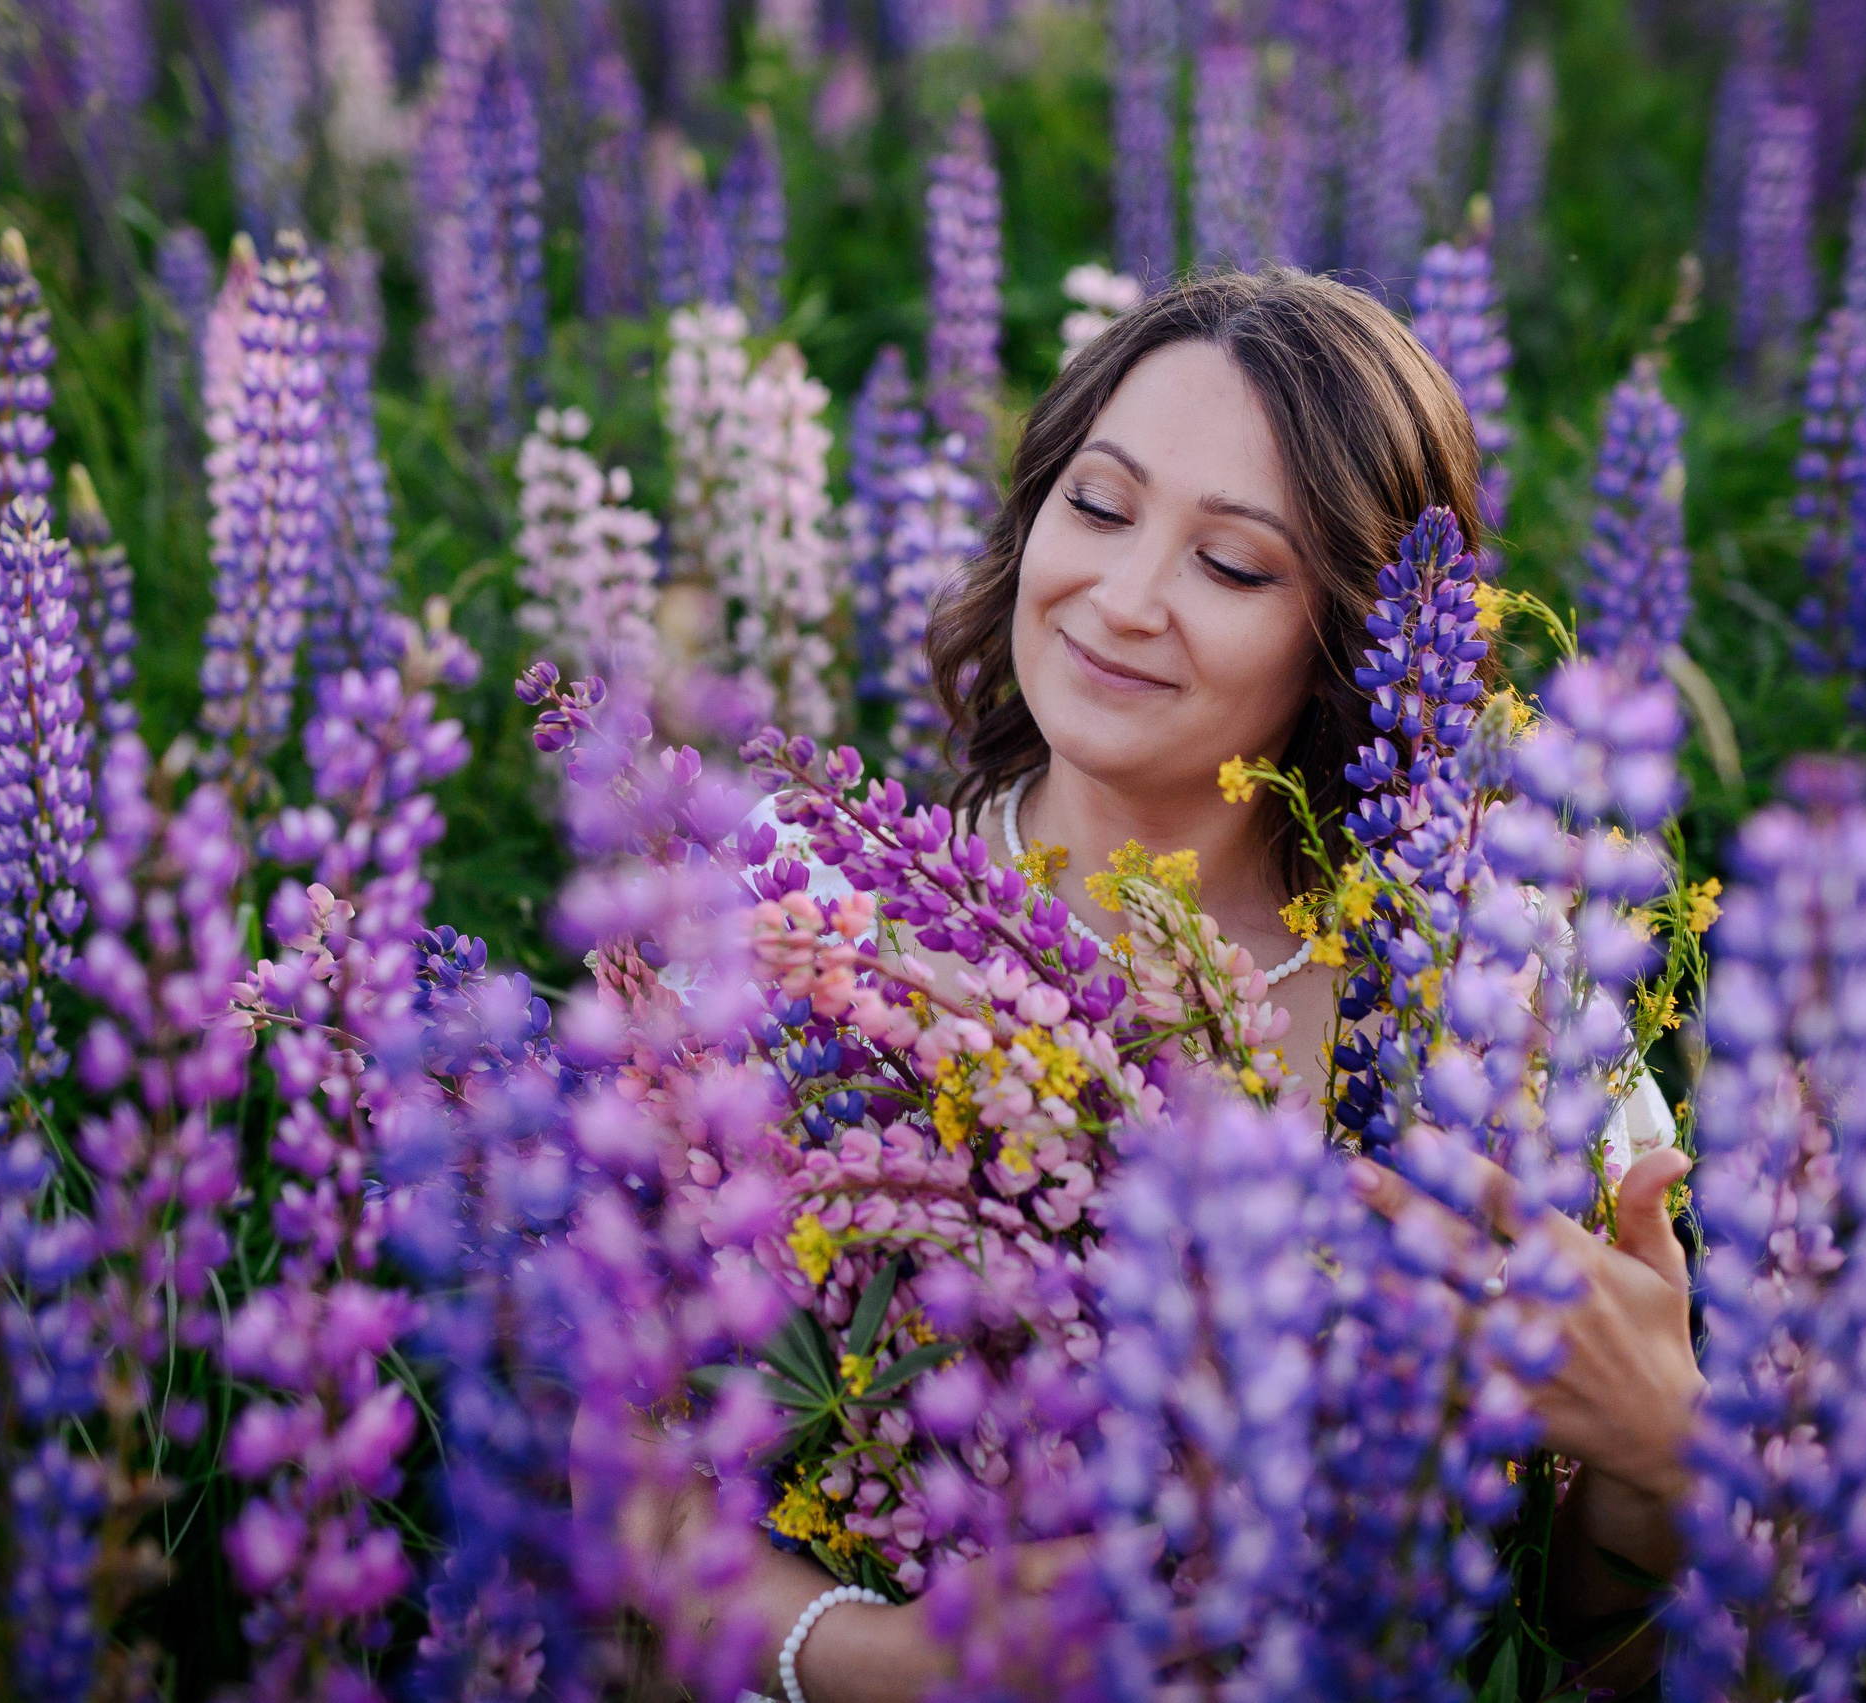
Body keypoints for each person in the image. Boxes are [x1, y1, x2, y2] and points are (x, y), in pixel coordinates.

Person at [585, 266, 1703, 1700]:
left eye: (1231, 565)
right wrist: (881, 1658)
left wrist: (1664, 1449)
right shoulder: (802, 914)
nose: (1119, 598)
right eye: (1099, 508)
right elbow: (618, 1475)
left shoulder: (1499, 996)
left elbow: (1586, 1649)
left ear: (1353, 637)